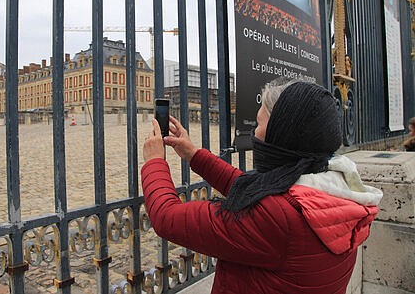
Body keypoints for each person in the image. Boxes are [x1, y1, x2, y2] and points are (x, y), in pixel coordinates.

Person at [141, 80, 383, 294]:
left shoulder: (278, 217)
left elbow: (167, 218)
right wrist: (193, 155)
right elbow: (251, 188)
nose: (254, 133)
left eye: (259, 124)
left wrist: (154, 162)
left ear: (281, 134)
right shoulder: (333, 187)